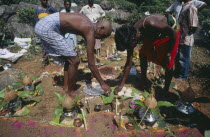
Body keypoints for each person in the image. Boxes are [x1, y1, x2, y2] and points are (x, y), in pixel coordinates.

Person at [35, 12, 112, 98]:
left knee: (70, 59)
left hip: (45, 24)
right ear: (100, 28)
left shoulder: (87, 22)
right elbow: (91, 64)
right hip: (47, 27)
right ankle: (70, 92)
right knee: (75, 61)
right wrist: (102, 84)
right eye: (103, 35)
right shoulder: (90, 30)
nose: (101, 38)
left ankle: (66, 88)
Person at [114, 14, 180, 95]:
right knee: (143, 54)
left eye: (132, 46)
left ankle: (165, 90)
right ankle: (143, 80)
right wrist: (121, 85)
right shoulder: (130, 37)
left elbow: (174, 34)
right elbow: (128, 63)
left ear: (134, 39)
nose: (131, 48)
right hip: (153, 35)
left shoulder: (150, 23)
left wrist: (168, 54)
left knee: (167, 62)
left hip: (170, 34)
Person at [174, 0, 199, 80]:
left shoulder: (191, 7)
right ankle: (177, 74)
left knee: (184, 57)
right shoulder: (184, 6)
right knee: (178, 56)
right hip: (180, 36)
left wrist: (187, 33)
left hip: (186, 37)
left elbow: (194, 25)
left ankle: (182, 77)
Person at [34, 0, 57, 66]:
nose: (45, 1)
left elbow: (56, 15)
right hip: (42, 32)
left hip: (51, 31)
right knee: (44, 47)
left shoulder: (50, 9)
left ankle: (55, 61)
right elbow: (36, 21)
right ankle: (45, 61)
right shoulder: (37, 10)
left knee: (53, 45)